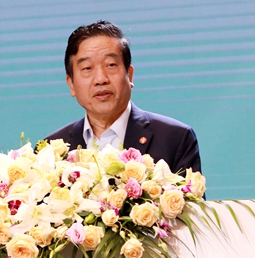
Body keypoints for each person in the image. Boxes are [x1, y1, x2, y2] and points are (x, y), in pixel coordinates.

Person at [44, 20, 201, 175]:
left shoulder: (175, 138)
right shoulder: (49, 151)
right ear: (71, 84)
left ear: (129, 75)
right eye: (87, 68)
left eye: (111, 65)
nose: (100, 79)